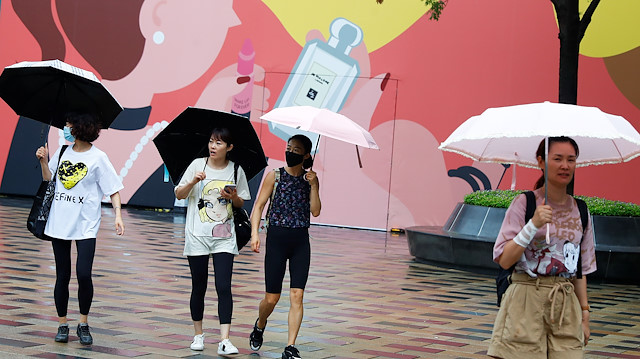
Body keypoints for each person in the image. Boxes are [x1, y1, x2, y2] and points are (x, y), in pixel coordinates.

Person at [488, 136, 596, 359]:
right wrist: (533, 225)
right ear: (540, 162)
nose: (565, 166)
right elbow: (505, 259)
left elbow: (579, 270)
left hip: (565, 303)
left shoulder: (581, 210)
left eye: (571, 159)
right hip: (525, 299)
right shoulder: (524, 203)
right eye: (557, 159)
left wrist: (585, 316)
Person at [35, 113, 125, 345]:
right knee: (62, 276)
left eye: (68, 125)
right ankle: (62, 323)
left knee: (84, 274)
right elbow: (49, 180)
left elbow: (113, 188)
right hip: (59, 224)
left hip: (86, 225)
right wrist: (44, 161)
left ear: (80, 127)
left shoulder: (98, 157)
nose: (65, 128)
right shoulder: (63, 151)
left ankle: (83, 323)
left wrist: (117, 215)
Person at [174, 128, 250, 354]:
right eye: (211, 141)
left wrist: (233, 197)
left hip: (224, 237)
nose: (213, 146)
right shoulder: (197, 165)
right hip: (197, 235)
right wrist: (193, 182)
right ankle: (198, 335)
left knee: (224, 287)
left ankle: (224, 340)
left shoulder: (236, 169)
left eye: (219, 143)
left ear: (230, 147)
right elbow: (179, 194)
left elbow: (241, 203)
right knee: (199, 286)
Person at [248, 134, 322, 359]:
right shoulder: (275, 176)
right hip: (277, 240)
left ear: (306, 155)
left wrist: (315, 185)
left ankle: (290, 347)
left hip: (300, 241)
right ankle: (260, 324)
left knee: (297, 295)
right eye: (289, 147)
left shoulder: (309, 180)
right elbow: (259, 206)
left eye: (296, 150)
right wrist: (255, 233)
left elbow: (316, 211)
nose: (290, 152)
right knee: (272, 298)